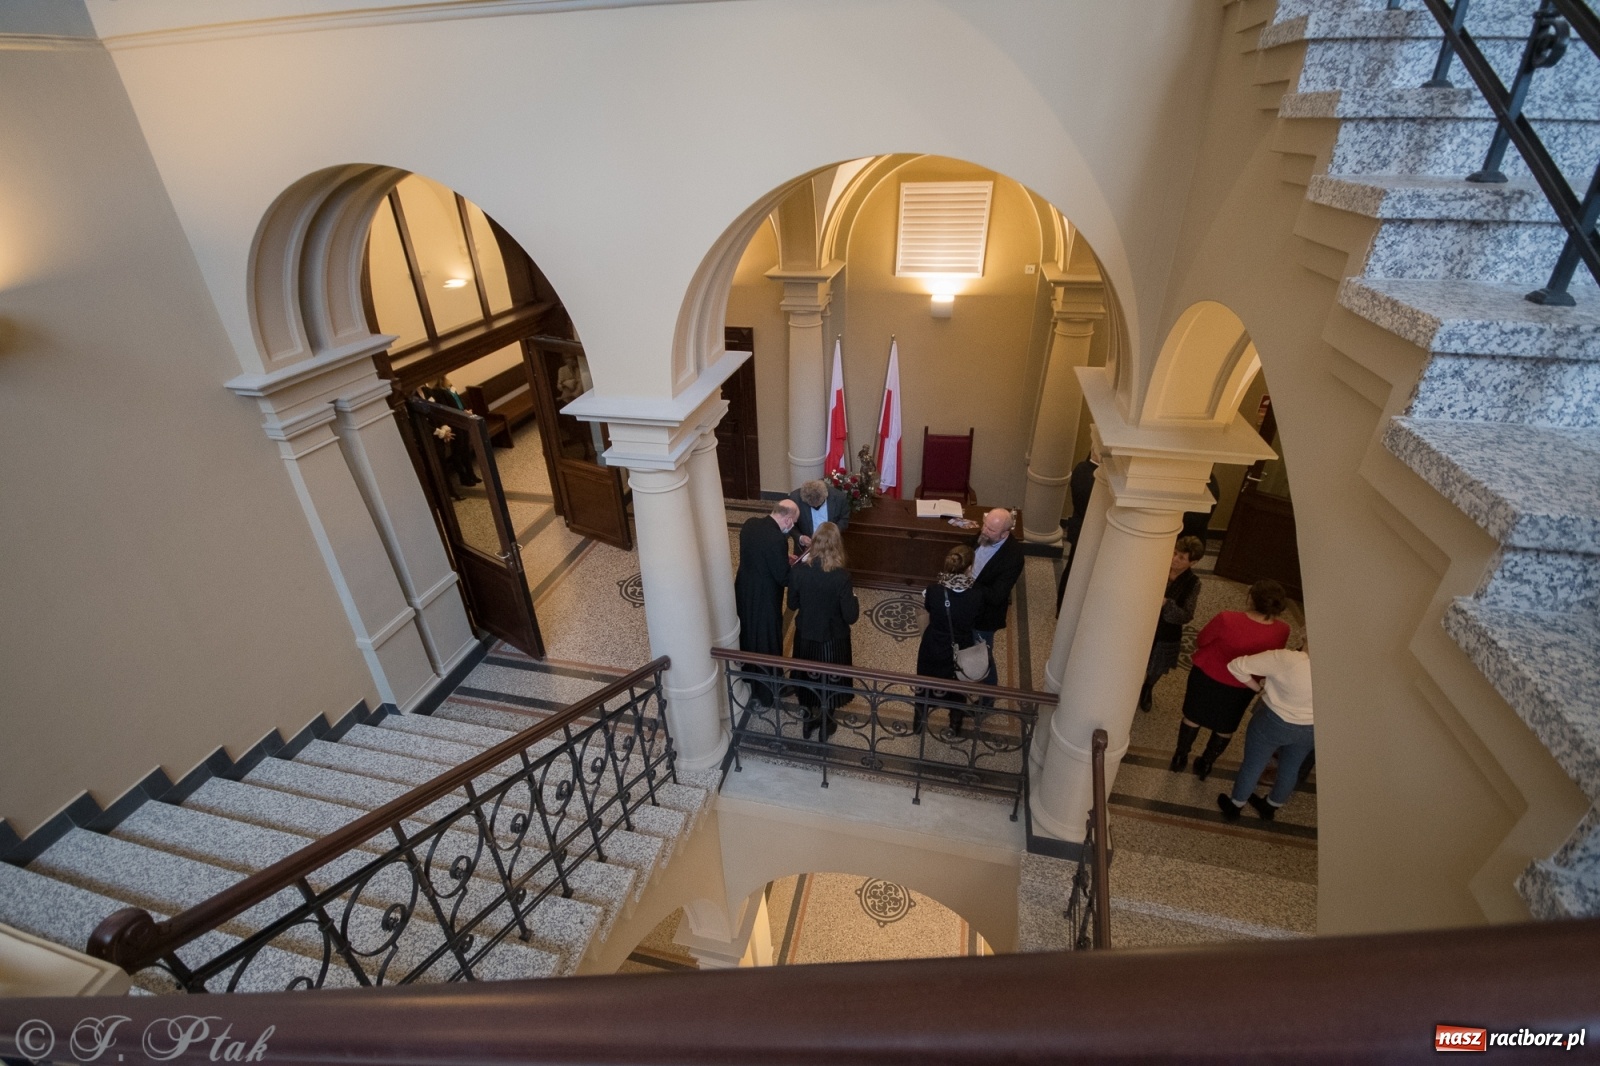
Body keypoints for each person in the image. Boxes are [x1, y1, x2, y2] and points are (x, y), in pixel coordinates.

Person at [1170, 579, 1291, 779]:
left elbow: (1202, 640)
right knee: (1226, 725)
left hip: (1208, 674)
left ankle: (1180, 756)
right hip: (1243, 686)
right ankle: (1207, 762)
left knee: (1193, 716)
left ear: (1250, 598)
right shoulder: (1283, 630)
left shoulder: (1227, 619)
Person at [1217, 638, 1313, 822]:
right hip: (1311, 728)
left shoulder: (1287, 659)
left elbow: (1237, 666)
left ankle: (1235, 805)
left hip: (1273, 721)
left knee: (1254, 764)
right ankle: (1270, 806)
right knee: (1291, 767)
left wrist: (1258, 689)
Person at [785, 522, 859, 738]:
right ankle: (827, 723)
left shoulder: (799, 572)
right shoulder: (842, 577)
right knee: (831, 680)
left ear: (814, 543)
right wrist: (854, 598)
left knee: (807, 679)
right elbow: (851, 616)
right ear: (837, 546)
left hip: (806, 635)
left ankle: (808, 720)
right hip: (833, 639)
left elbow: (792, 604)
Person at [734, 499, 798, 706]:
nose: (792, 526)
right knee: (767, 641)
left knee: (749, 634)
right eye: (793, 522)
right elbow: (783, 578)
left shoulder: (750, 524)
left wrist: (780, 557)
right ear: (787, 519)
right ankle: (768, 690)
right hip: (765, 598)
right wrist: (797, 567)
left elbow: (758, 553)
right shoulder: (778, 540)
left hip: (744, 590)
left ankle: (748, 676)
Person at [914, 544, 982, 736]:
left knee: (925, 683)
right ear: (969, 568)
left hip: (933, 644)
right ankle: (955, 724)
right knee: (958, 686)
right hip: (961, 648)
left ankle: (919, 721)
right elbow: (975, 618)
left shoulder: (934, 591)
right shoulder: (976, 595)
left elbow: (929, 608)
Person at [1139, 536, 1206, 713]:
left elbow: (1187, 615)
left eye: (1181, 558)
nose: (1174, 559)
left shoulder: (1193, 583)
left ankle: (1148, 688)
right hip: (1142, 624)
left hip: (1166, 631)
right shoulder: (1157, 567)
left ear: (1193, 562)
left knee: (1157, 666)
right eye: (1175, 553)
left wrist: (1167, 604)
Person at [970, 508, 1024, 687]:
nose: (984, 531)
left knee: (983, 654)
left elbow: (996, 596)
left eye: (991, 530)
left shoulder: (1013, 557)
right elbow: (970, 547)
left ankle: (988, 696)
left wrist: (969, 580)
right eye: (985, 525)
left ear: (1004, 534)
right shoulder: (986, 533)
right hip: (968, 603)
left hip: (985, 615)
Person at [1056, 445, 1100, 613]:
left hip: (1078, 526)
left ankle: (1062, 607)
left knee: (1071, 568)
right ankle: (1067, 608)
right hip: (1087, 529)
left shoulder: (1081, 468)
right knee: (1077, 571)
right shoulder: (1096, 477)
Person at [786, 478, 852, 549]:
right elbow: (789, 524)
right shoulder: (795, 499)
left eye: (819, 504)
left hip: (832, 547)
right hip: (805, 549)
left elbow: (844, 519)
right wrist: (800, 538)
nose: (816, 507)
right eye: (812, 505)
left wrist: (832, 534)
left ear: (825, 496)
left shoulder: (839, 498)